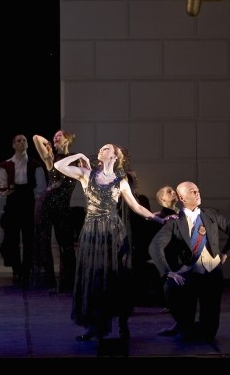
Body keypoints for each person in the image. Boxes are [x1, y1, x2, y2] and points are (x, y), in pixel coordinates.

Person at [54, 144, 171, 342]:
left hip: (113, 232)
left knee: (116, 278)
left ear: (115, 155)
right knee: (94, 278)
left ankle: (123, 322)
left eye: (106, 148)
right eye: (100, 148)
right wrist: (80, 155)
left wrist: (159, 219)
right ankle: (94, 325)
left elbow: (135, 206)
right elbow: (58, 165)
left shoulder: (121, 181)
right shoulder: (85, 174)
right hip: (92, 232)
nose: (101, 150)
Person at [149, 181, 230, 342]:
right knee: (186, 327)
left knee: (209, 331)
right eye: (192, 191)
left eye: (197, 190)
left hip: (212, 272)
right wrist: (167, 271)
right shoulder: (174, 221)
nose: (197, 193)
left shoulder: (211, 215)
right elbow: (155, 246)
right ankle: (185, 328)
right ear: (182, 198)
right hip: (189, 273)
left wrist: (226, 253)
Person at [32, 130, 79, 294]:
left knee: (66, 245)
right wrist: (50, 144)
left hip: (63, 207)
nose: (55, 137)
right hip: (45, 204)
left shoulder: (75, 159)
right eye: (54, 135)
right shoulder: (50, 158)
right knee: (44, 244)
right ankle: (49, 283)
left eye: (59, 135)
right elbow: (37, 138)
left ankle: (68, 284)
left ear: (67, 139)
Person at [0, 134, 46, 287]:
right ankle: (16, 269)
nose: (22, 142)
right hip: (13, 200)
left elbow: (41, 186)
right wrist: (5, 191)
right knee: (12, 238)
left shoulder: (35, 164)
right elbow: (2, 185)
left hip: (28, 199)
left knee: (28, 238)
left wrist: (36, 200)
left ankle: (26, 270)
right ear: (13, 145)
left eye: (24, 140)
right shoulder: (6, 164)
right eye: (19, 140)